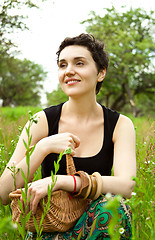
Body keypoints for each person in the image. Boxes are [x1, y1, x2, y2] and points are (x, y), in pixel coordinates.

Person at [0, 33, 136, 239]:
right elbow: (3, 192)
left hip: (96, 227)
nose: (69, 71)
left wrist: (61, 181)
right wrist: (42, 148)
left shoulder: (120, 124)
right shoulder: (42, 121)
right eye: (62, 65)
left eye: (79, 63)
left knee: (112, 208)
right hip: (50, 227)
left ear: (101, 73)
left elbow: (126, 185)